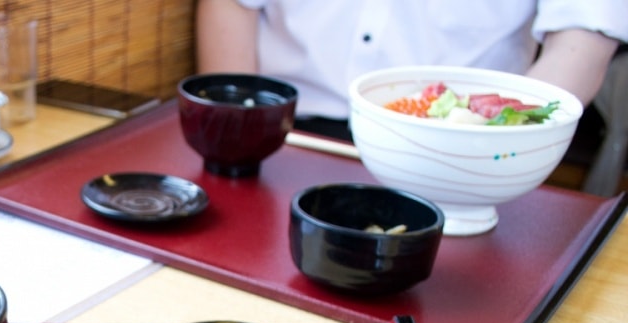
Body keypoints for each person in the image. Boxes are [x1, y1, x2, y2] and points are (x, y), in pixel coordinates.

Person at [195, 0, 628, 140]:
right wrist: (239, 130)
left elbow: (583, 41)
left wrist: (498, 151)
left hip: (456, 145)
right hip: (288, 130)